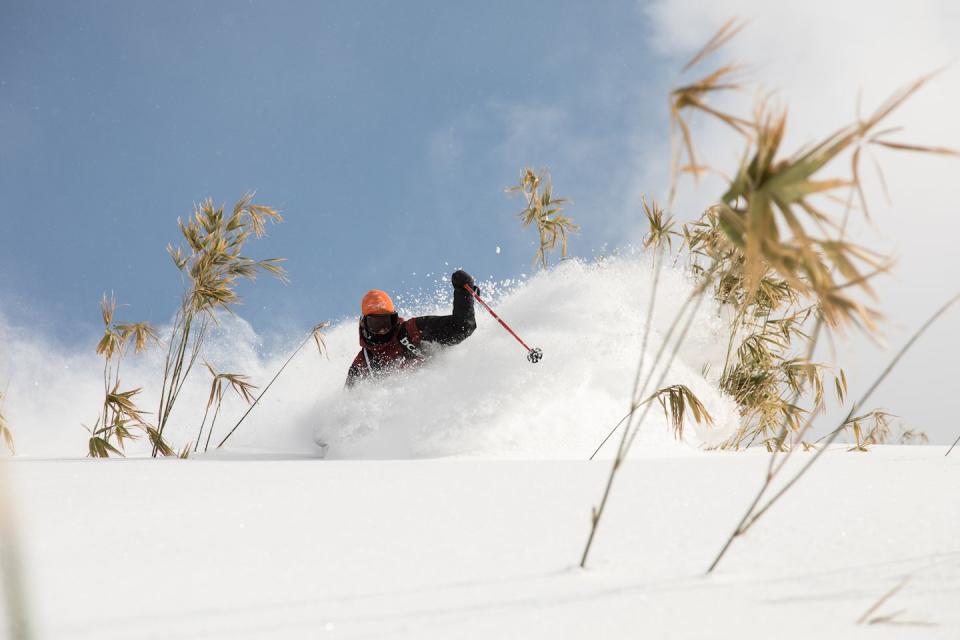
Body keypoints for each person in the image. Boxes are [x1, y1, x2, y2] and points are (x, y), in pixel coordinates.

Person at [345, 269, 478, 387]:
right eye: (376, 324)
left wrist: (463, 294)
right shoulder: (363, 363)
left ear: (394, 319)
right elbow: (348, 405)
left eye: (386, 322)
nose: (382, 330)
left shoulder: (412, 331)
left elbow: (462, 327)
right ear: (364, 324)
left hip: (438, 389)